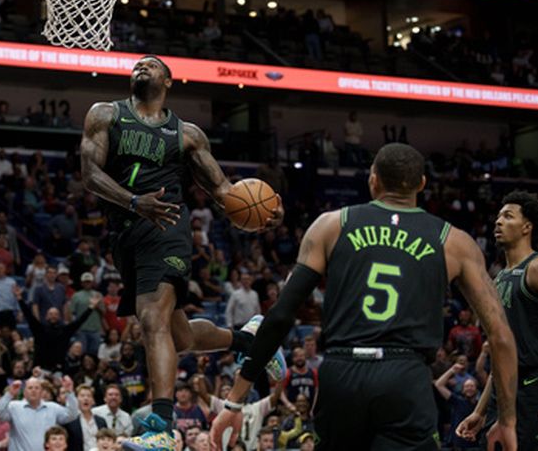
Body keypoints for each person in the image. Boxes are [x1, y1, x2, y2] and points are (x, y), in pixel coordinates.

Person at [210, 143, 518, 451]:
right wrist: (506, 420)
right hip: (405, 377)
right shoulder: (454, 241)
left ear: (373, 180)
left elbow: (280, 316)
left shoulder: (331, 225)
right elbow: (501, 336)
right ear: (422, 184)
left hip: (342, 373)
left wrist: (235, 401)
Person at [80, 56, 284, 450]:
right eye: (138, 64)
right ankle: (248, 340)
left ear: (169, 81)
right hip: (126, 233)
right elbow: (90, 175)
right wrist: (134, 202)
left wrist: (268, 210)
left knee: (151, 319)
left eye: (152, 65)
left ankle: (162, 427)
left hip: (167, 227)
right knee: (181, 338)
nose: (143, 67)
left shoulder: (186, 134)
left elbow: (223, 190)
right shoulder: (105, 115)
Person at [457, 191, 538, 449]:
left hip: (536, 387)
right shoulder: (498, 279)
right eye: (498, 216)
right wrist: (479, 411)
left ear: (527, 227)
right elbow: (500, 354)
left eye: (508, 216)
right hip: (502, 392)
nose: (498, 221)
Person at [0, 376, 79, 451]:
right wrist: (9, 394)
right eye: (30, 388)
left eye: (37, 388)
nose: (33, 390)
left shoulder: (52, 407)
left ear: (41, 392)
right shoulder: (14, 407)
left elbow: (72, 415)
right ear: (24, 392)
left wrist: (70, 393)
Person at [433, 362, 480, 449]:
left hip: (474, 445)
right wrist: (452, 370)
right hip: (457, 445)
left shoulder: (480, 405)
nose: (469, 388)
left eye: (472, 386)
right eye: (466, 386)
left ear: (476, 389)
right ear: (463, 390)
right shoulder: (458, 401)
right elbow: (439, 384)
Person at [64, 384, 106, 451]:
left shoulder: (101, 421)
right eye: (82, 396)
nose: (86, 398)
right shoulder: (71, 422)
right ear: (76, 399)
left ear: (93, 401)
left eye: (89, 396)